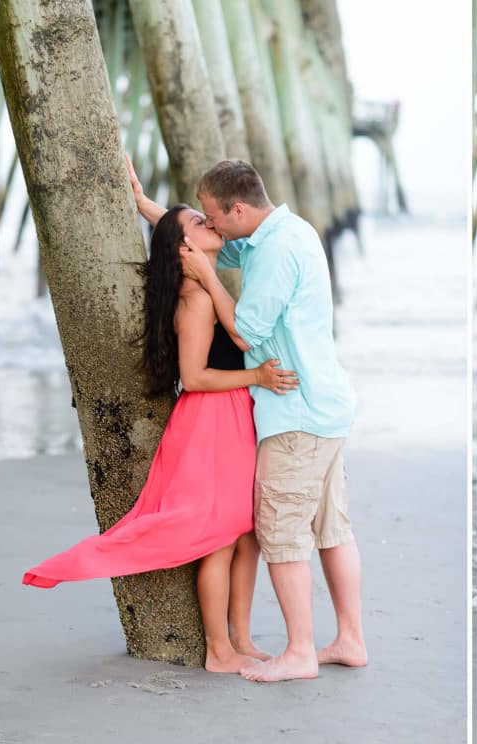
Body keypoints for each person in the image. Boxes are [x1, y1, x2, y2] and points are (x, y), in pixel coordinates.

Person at [23, 202, 297, 673]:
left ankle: (241, 637)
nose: (210, 223)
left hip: (231, 415)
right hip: (212, 418)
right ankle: (218, 651)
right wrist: (256, 378)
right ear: (183, 247)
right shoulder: (196, 299)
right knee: (221, 537)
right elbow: (193, 377)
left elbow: (173, 231)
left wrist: (143, 201)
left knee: (246, 533)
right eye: (199, 222)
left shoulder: (204, 284)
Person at [131, 158, 364, 683]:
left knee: (280, 536)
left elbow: (246, 333)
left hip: (295, 413)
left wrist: (210, 276)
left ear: (237, 209)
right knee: (333, 530)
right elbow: (189, 236)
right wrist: (151, 210)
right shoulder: (278, 233)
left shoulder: (274, 251)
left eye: (212, 218)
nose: (210, 227)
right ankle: (349, 637)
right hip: (324, 404)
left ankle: (301, 651)